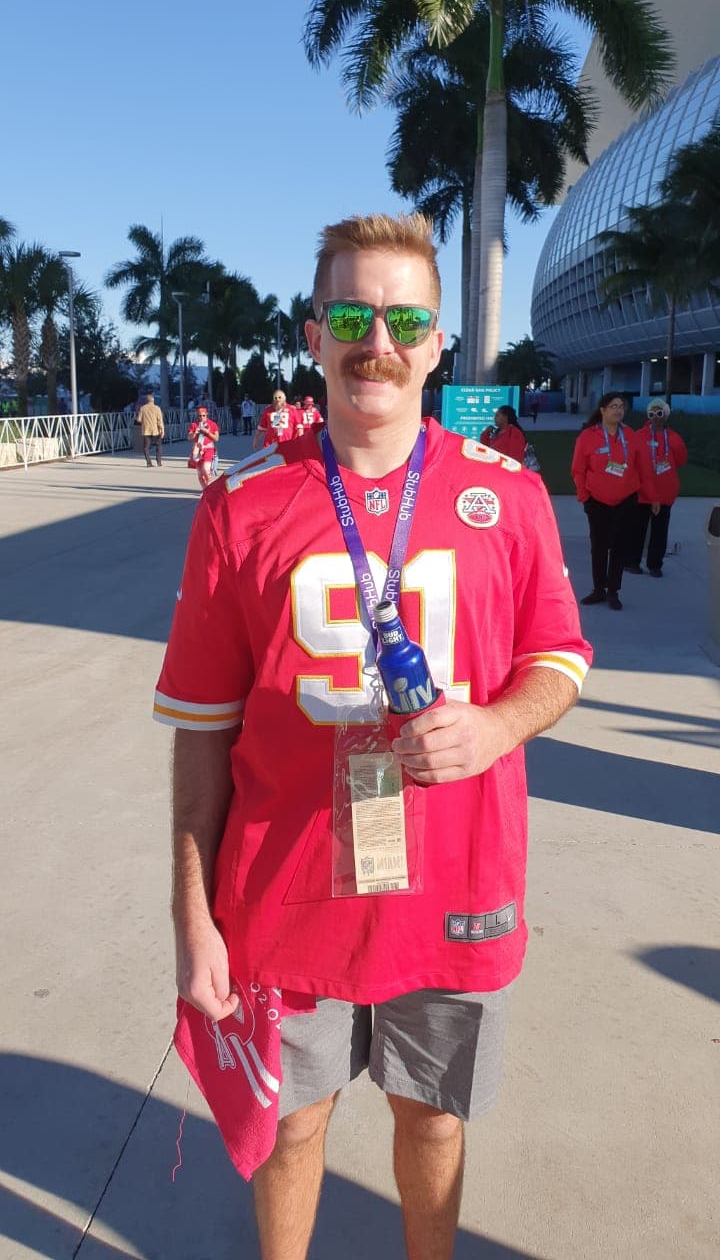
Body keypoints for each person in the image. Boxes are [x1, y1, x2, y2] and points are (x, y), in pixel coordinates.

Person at [154, 212, 592, 1260]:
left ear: (438, 341)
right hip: (284, 889)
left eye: (404, 318)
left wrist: (495, 726)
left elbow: (562, 659)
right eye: (353, 313)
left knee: (433, 1118)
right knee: (294, 1124)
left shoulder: (509, 493)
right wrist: (191, 912)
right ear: (314, 333)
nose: (377, 341)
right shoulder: (241, 507)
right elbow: (203, 736)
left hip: (456, 886)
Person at [571, 392, 641, 611]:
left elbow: (640, 467)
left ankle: (613, 591)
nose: (618, 410)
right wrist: (584, 496)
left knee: (620, 548)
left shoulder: (630, 435)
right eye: (613, 406)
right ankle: (598, 589)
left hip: (625, 500)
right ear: (602, 410)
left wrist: (643, 494)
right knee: (599, 547)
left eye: (621, 406)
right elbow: (578, 470)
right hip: (597, 500)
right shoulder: (588, 437)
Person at [625, 398, 687, 578]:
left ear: (665, 415)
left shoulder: (674, 438)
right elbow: (631, 461)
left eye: (659, 414)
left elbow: (681, 460)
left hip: (664, 492)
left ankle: (655, 565)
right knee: (638, 529)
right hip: (642, 491)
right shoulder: (639, 436)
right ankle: (633, 562)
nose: (655, 417)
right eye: (652, 414)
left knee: (660, 531)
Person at [187, 402, 220, 488]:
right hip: (197, 450)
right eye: (199, 416)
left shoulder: (212, 424)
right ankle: (205, 489)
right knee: (200, 474)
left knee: (206, 469)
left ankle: (209, 485)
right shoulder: (194, 424)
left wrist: (208, 432)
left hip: (208, 449)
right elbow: (189, 438)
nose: (201, 418)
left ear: (207, 414)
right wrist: (195, 433)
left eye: (203, 415)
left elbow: (216, 438)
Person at [135, 391, 165, 468]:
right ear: (153, 400)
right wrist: (162, 430)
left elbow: (139, 419)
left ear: (146, 401)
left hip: (146, 430)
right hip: (156, 430)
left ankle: (148, 463)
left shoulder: (143, 408)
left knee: (146, 447)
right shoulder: (157, 408)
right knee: (158, 446)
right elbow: (160, 420)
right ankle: (159, 462)